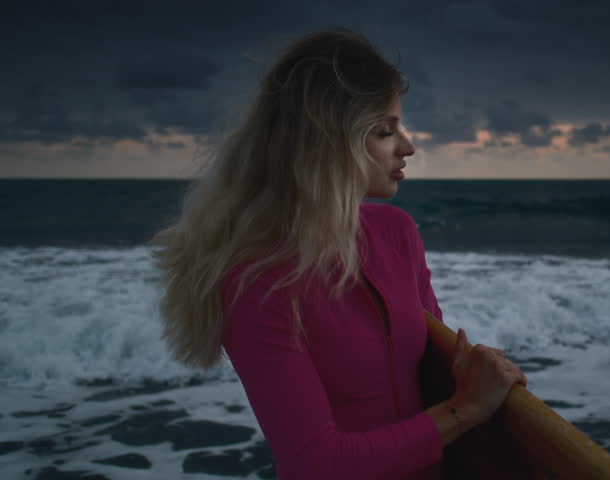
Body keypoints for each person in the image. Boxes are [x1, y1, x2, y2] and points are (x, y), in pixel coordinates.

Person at [150, 28, 527, 479]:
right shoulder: (256, 276)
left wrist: (469, 374)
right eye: (386, 131)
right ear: (330, 139)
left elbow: (429, 368)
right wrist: (467, 409)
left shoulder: (397, 233)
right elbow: (317, 462)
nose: (407, 146)